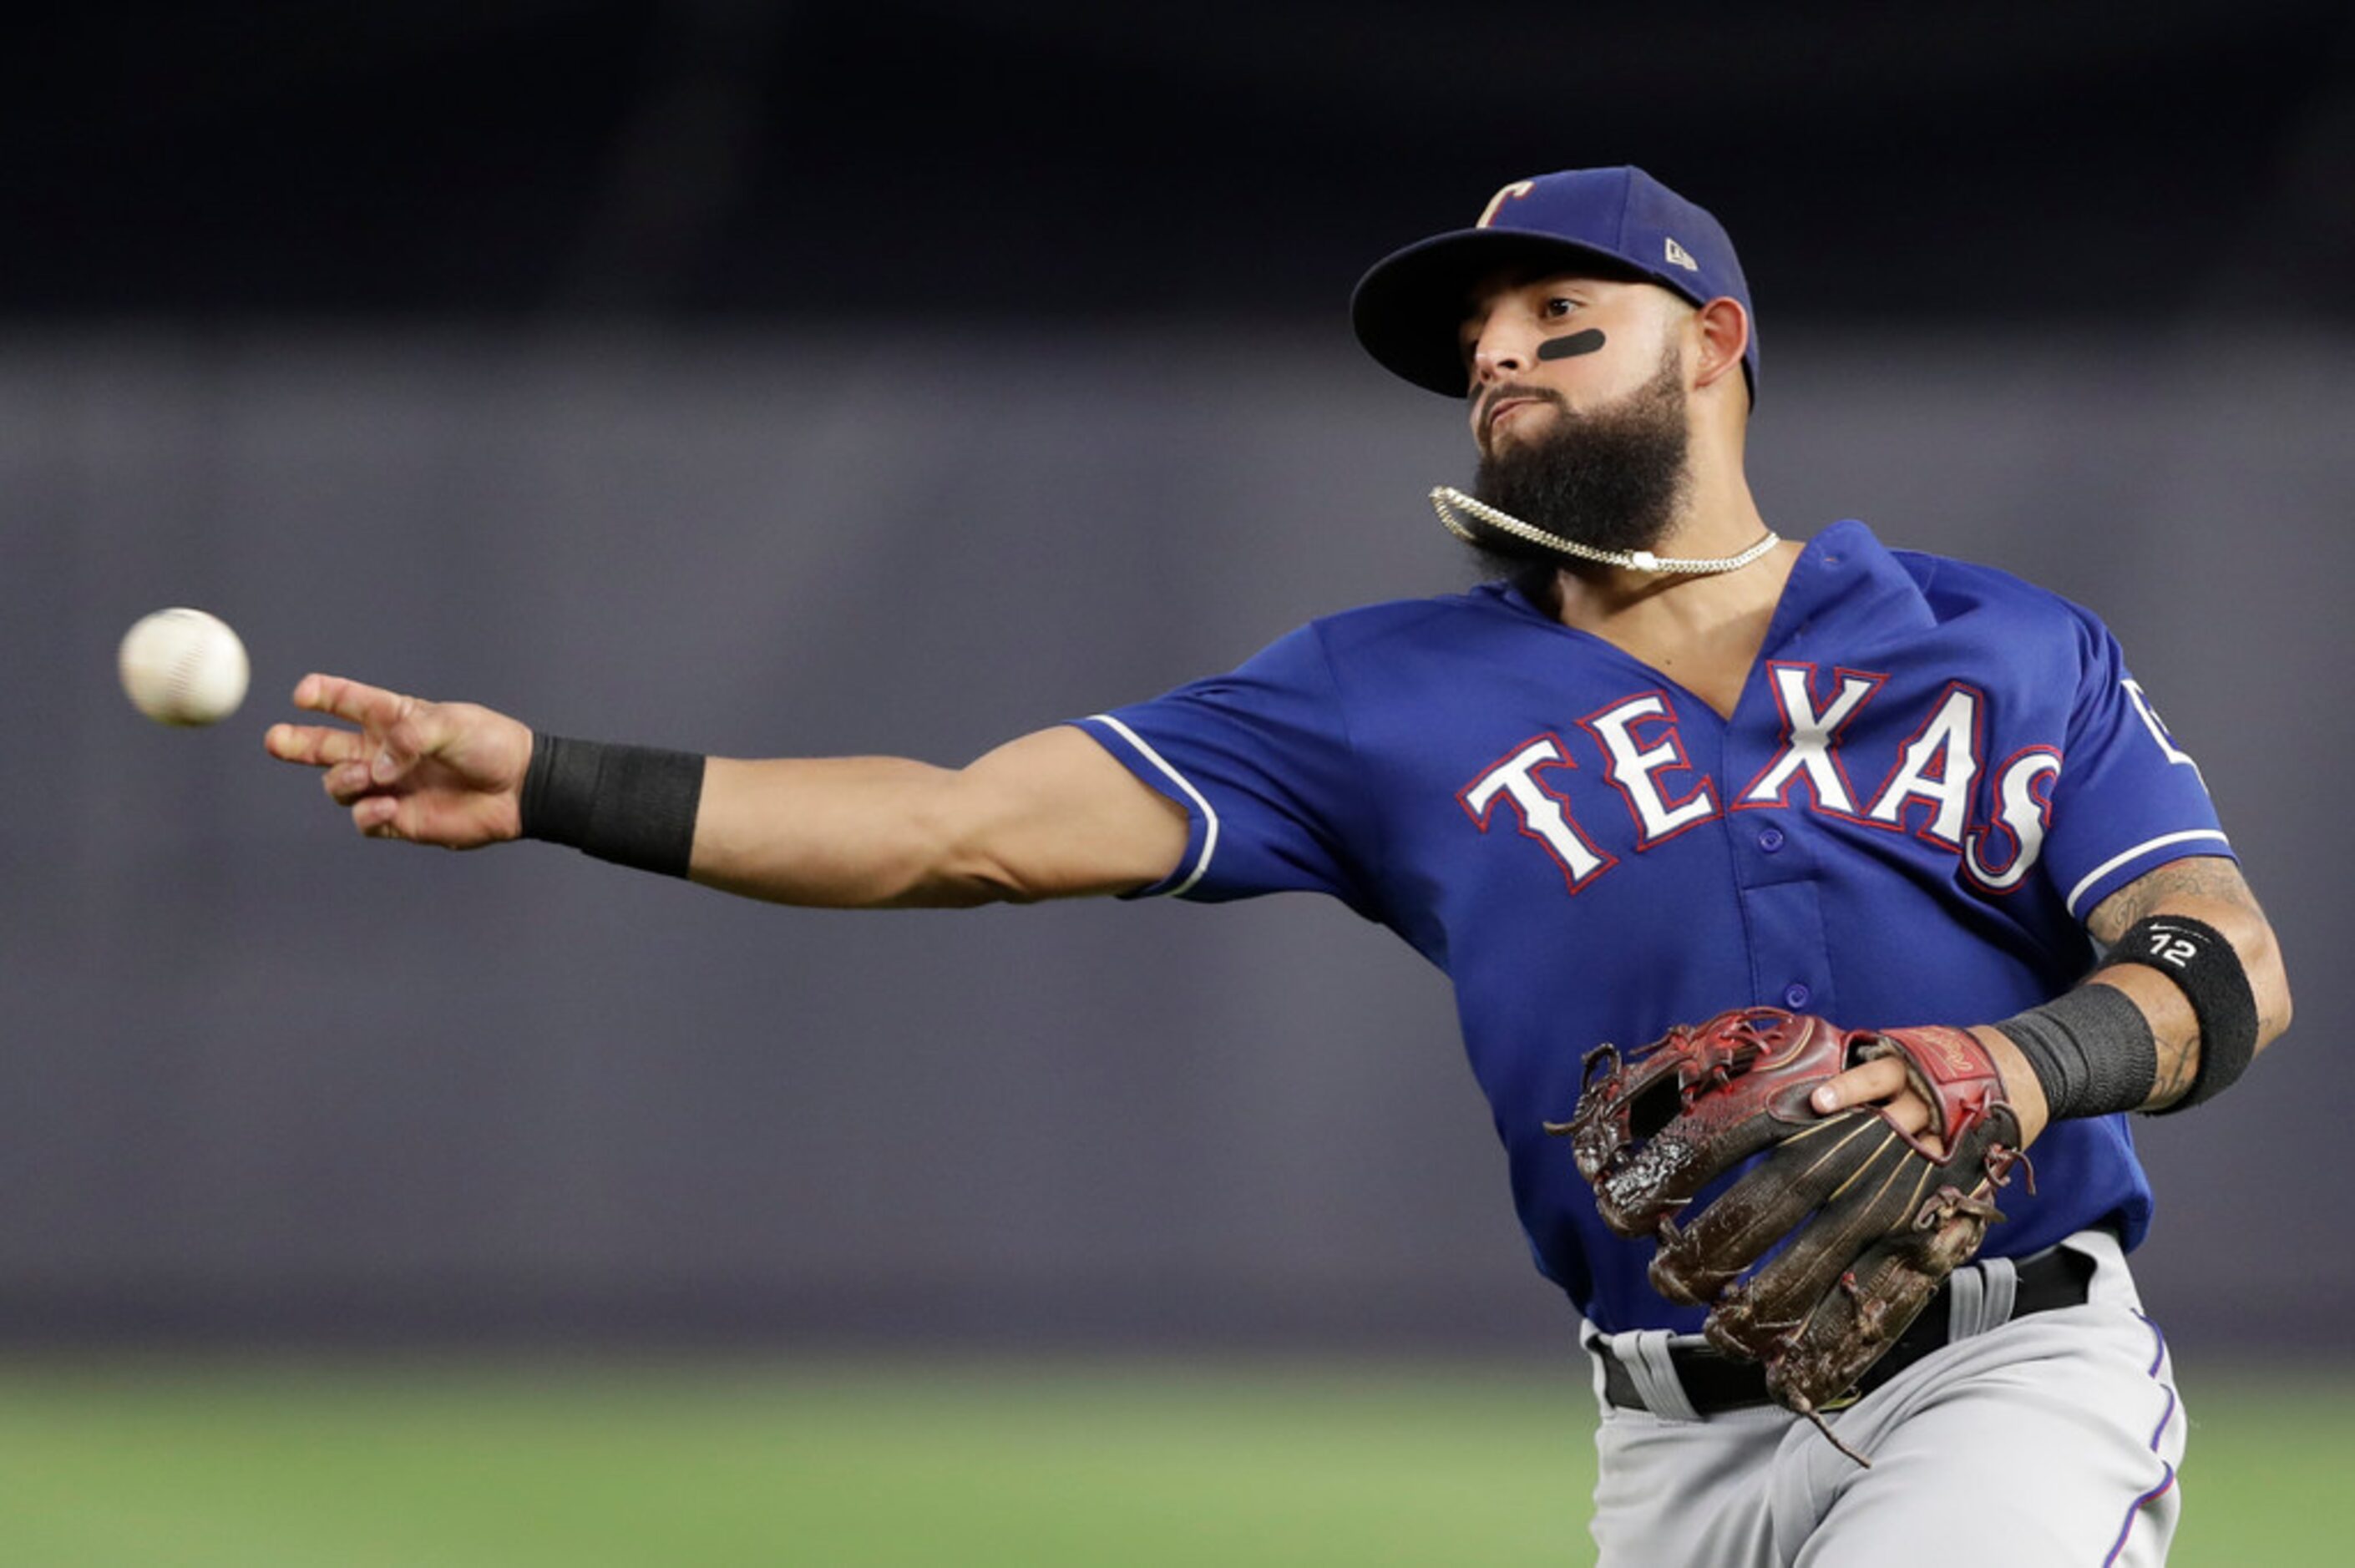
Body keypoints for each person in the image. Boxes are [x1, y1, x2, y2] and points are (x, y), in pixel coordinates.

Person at [265, 166, 2291, 1565]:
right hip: (1669, 1448)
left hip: (2004, 1370)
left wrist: (2013, 1069)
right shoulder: (1375, 698)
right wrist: (552, 781)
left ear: (1717, 342)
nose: (1500, 360)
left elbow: (2224, 965)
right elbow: (954, 831)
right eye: (1477, 342)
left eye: (1560, 321)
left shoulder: (2002, 645)